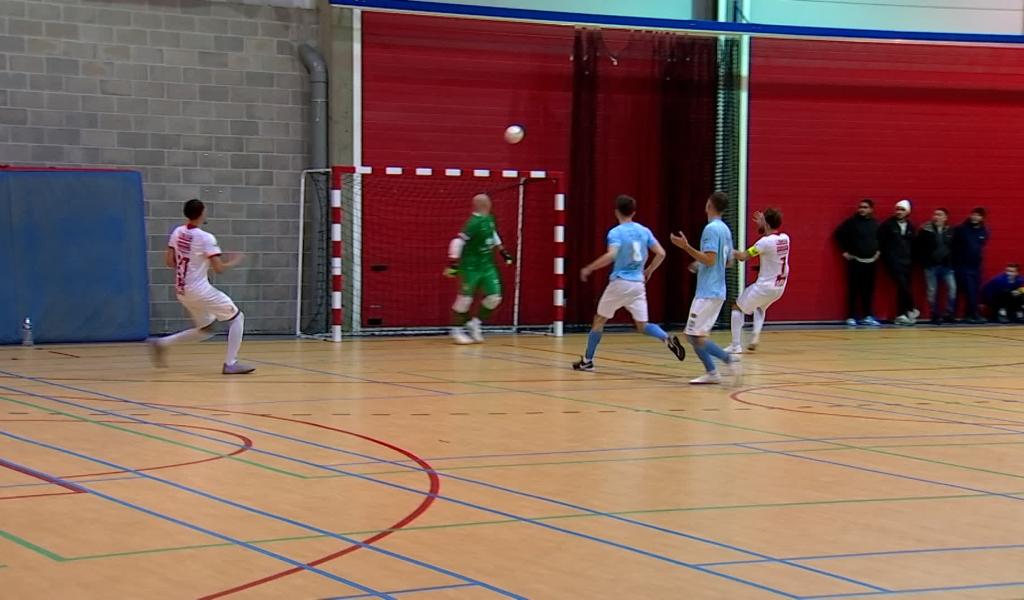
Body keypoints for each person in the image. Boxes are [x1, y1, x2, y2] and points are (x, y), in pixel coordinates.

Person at [572, 195, 686, 371]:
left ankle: (587, 361)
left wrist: (590, 268)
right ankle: (666, 338)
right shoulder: (644, 231)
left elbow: (611, 255)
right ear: (634, 212)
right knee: (643, 325)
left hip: (620, 282)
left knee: (599, 320)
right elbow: (661, 253)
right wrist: (649, 270)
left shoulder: (616, 233)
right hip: (638, 284)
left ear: (616, 212)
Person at [149, 199, 254, 374]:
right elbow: (219, 269)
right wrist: (234, 261)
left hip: (182, 290)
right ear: (202, 213)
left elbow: (169, 262)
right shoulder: (206, 238)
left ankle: (162, 343)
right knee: (237, 317)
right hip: (200, 290)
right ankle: (231, 363)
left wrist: (194, 264)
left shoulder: (177, 232)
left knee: (207, 330)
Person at [670, 192, 741, 385]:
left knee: (694, 336)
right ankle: (712, 372)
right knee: (694, 335)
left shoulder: (711, 229)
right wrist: (699, 264)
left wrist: (686, 247)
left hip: (708, 291)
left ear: (709, 205)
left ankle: (728, 360)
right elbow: (728, 262)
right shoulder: (725, 229)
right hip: (717, 290)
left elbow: (710, 260)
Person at [444, 193, 513, 344]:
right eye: (488, 202)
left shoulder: (489, 219)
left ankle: (475, 323)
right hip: (470, 267)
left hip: (487, 265)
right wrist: (453, 263)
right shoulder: (473, 223)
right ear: (483, 205)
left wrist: (503, 251)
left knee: (494, 297)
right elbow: (458, 242)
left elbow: (493, 234)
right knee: (465, 299)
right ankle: (456, 330)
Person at [728, 208, 789, 353]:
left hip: (765, 287)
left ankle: (735, 346)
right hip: (780, 287)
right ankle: (755, 335)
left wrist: (729, 250)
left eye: (762, 221)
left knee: (737, 307)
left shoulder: (764, 243)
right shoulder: (785, 238)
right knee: (760, 307)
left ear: (766, 223)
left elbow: (743, 257)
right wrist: (763, 222)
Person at [834, 199, 881, 327]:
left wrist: (879, 251)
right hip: (856, 261)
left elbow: (882, 239)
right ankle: (851, 316)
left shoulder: (876, 224)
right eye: (860, 207)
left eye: (865, 207)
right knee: (853, 290)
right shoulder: (852, 222)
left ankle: (867, 316)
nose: (862, 209)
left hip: (871, 262)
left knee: (868, 291)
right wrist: (844, 251)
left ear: (871, 209)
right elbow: (838, 234)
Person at [878, 199, 919, 325]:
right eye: (897, 209)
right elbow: (880, 242)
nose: (899, 212)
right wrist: (886, 256)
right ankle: (911, 308)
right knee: (902, 285)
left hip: (907, 262)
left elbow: (914, 245)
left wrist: (913, 260)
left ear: (907, 212)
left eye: (902, 210)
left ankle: (901, 314)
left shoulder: (910, 227)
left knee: (904, 288)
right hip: (893, 261)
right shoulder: (887, 225)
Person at [915, 207, 956, 325]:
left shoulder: (950, 231)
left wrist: (951, 260)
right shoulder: (925, 230)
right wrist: (924, 261)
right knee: (932, 290)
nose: (936, 217)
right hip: (931, 265)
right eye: (935, 214)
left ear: (945, 218)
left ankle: (949, 313)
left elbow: (954, 247)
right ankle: (934, 314)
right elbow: (918, 247)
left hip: (946, 266)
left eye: (940, 214)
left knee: (953, 288)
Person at [954, 207, 990, 324]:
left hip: (976, 266)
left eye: (978, 215)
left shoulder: (984, 231)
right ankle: (972, 314)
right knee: (969, 290)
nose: (975, 217)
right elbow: (954, 246)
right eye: (973, 214)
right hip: (963, 265)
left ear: (982, 218)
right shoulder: (961, 229)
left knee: (975, 290)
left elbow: (981, 246)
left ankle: (970, 314)